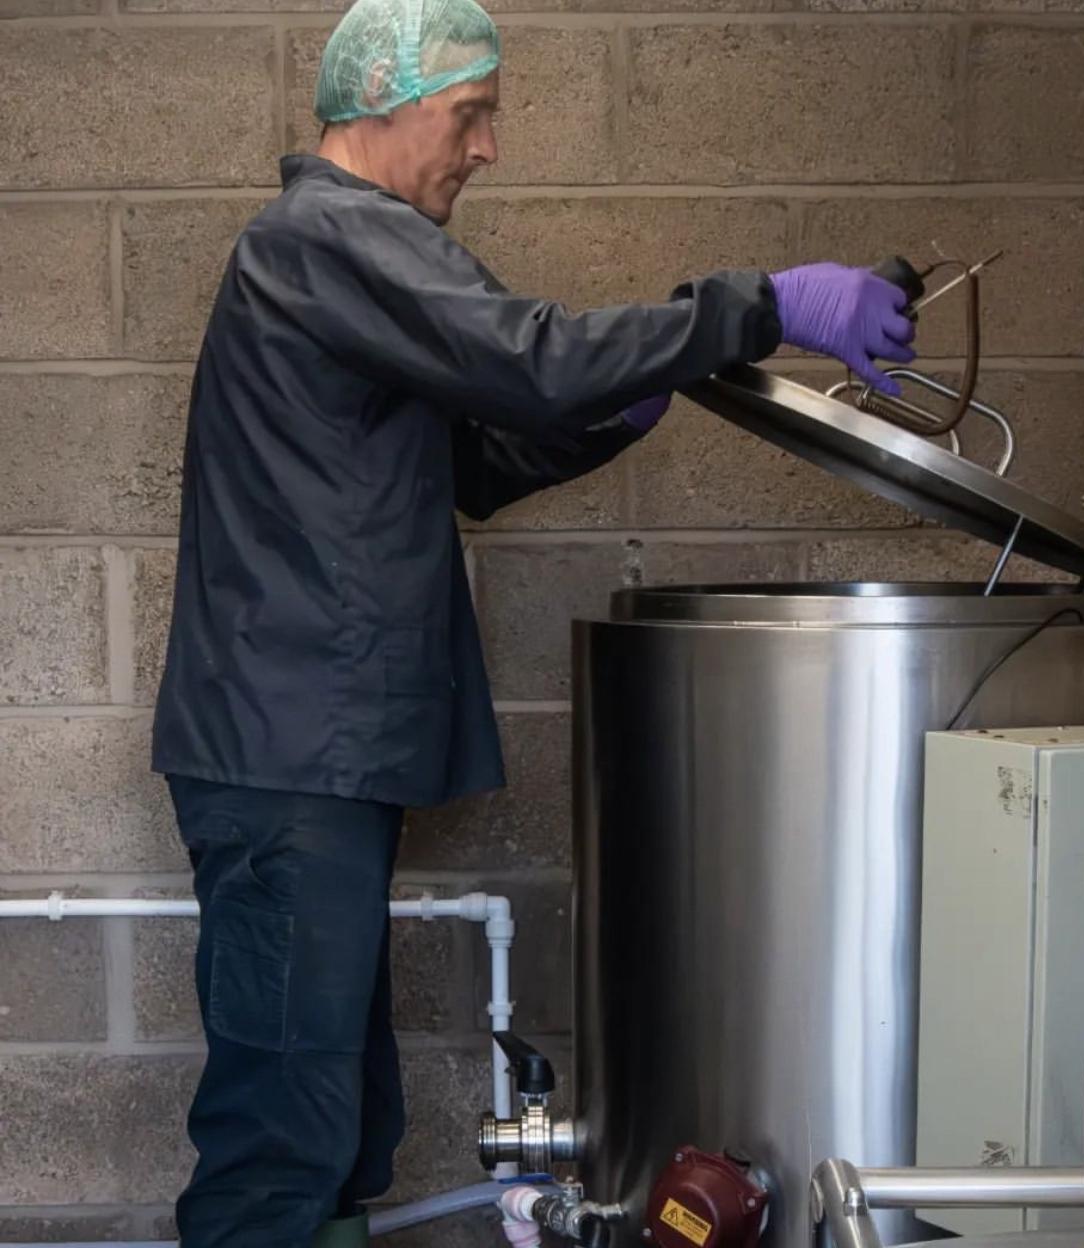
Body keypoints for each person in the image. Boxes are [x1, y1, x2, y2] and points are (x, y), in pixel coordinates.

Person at [150, 0, 916, 1244]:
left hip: (303, 751)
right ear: (384, 109)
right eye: (470, 114)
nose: (489, 147)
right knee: (281, 1127)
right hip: (284, 751)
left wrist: (614, 408)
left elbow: (478, 461)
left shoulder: (346, 260)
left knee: (336, 1113)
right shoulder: (330, 236)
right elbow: (529, 355)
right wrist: (759, 305)